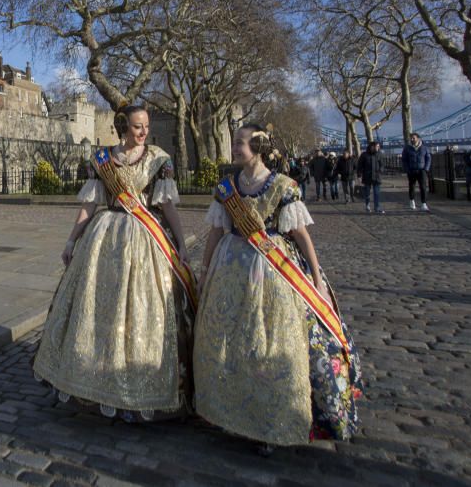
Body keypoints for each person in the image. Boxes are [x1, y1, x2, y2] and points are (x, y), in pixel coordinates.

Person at [193, 124, 362, 452]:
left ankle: (272, 418)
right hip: (232, 271)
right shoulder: (227, 188)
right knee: (233, 341)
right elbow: (216, 232)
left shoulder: (284, 187)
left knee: (271, 342)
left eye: (240, 143)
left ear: (256, 147)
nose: (234, 147)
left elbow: (300, 234)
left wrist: (316, 278)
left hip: (274, 272)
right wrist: (203, 271)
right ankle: (233, 411)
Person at [33, 105, 198, 421]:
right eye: (138, 127)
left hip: (146, 242)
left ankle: (138, 385)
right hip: (104, 241)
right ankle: (92, 378)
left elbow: (168, 208)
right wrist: (71, 241)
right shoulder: (102, 160)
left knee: (141, 311)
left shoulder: (158, 160)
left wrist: (180, 242)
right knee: (99, 308)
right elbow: (90, 205)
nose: (144, 132)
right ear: (123, 128)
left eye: (146, 126)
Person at [401, 133, 431, 212]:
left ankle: (424, 204)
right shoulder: (407, 148)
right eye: (411, 138)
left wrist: (426, 169)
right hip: (411, 170)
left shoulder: (424, 148)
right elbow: (404, 160)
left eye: (413, 138)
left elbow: (428, 159)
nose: (412, 139)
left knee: (423, 187)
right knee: (412, 187)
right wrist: (407, 169)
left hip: (422, 170)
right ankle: (412, 201)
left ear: (418, 138)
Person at [357, 141, 385, 214]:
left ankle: (377, 207)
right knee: (367, 193)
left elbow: (382, 164)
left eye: (379, 147)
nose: (378, 148)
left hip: (377, 177)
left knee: (377, 193)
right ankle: (367, 206)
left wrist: (380, 170)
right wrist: (359, 175)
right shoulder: (364, 155)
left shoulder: (380, 154)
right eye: (377, 146)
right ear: (372, 146)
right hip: (367, 176)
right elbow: (359, 166)